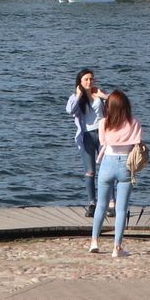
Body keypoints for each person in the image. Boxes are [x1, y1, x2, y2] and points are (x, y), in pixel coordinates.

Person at [89, 89, 142, 258]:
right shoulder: (133, 123)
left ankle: (94, 242)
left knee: (101, 206)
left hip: (107, 163)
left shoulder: (104, 123)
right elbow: (137, 144)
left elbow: (103, 142)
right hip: (125, 164)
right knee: (121, 209)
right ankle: (117, 247)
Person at [66, 69, 105, 217]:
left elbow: (115, 105)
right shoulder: (76, 97)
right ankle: (92, 203)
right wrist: (79, 95)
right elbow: (70, 110)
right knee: (90, 171)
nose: (89, 82)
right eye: (86, 80)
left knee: (107, 170)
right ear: (80, 82)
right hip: (87, 136)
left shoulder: (99, 94)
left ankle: (110, 202)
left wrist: (104, 96)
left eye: (91, 79)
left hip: (102, 134)